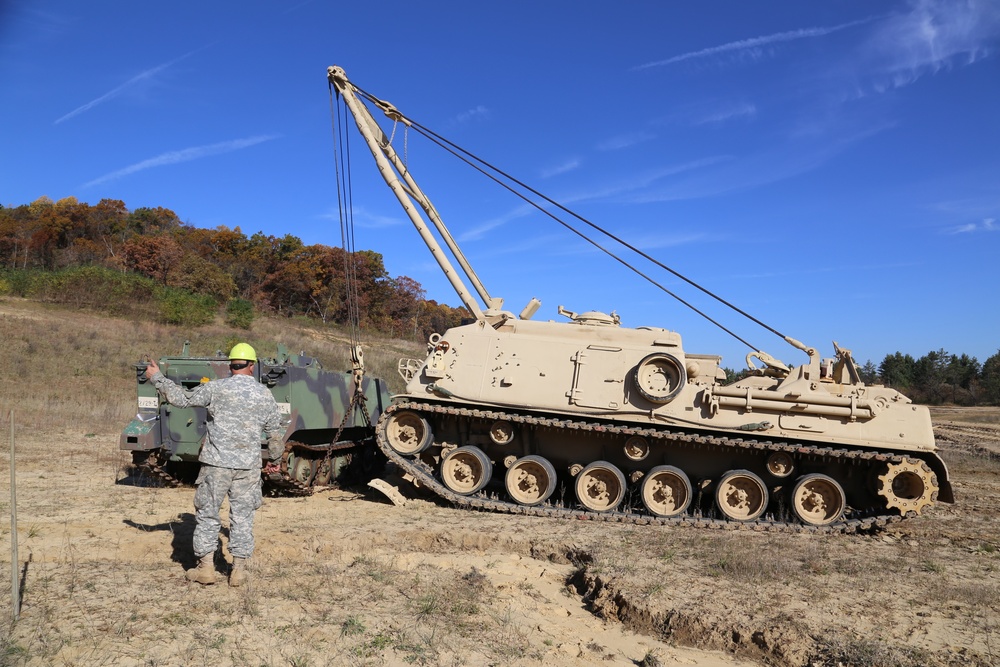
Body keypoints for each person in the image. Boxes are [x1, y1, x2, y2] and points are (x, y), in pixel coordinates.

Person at [145, 343, 284, 587]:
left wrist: (156, 377)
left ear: (231, 365)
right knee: (242, 516)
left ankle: (206, 569)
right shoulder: (264, 394)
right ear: (252, 366)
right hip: (247, 467)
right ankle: (238, 571)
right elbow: (274, 434)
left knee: (208, 514)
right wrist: (274, 461)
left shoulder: (216, 388)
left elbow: (180, 399)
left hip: (216, 465)